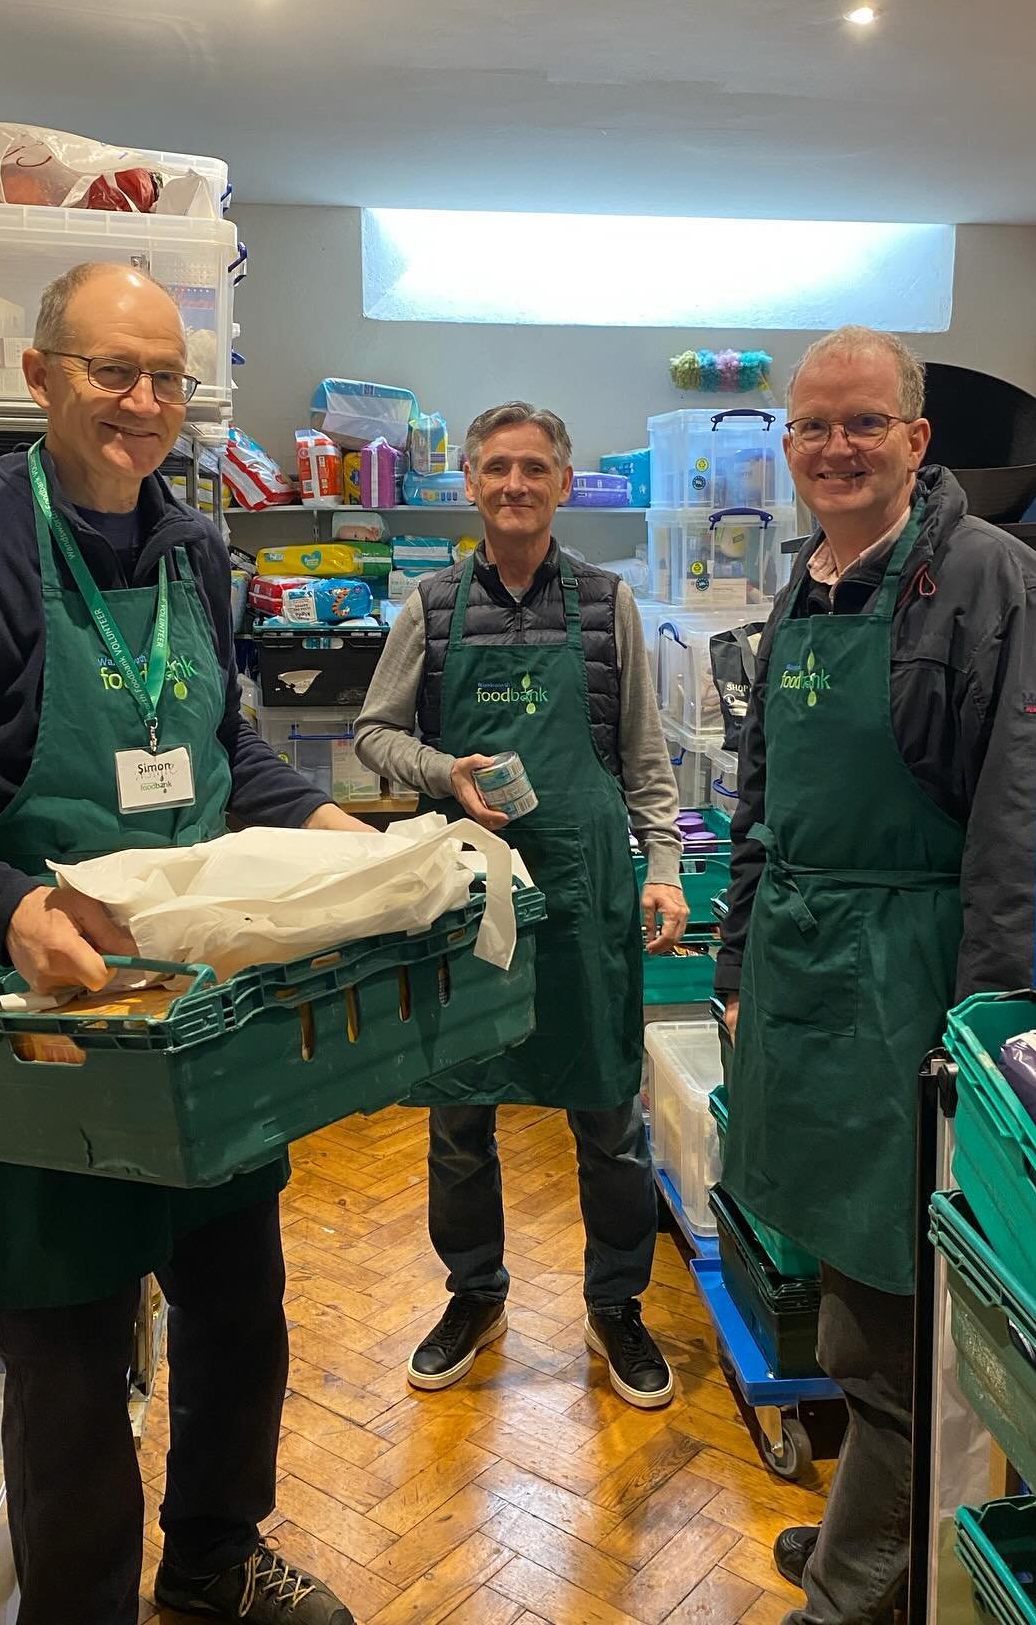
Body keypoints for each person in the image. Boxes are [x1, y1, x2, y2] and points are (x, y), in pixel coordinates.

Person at [0, 263, 371, 1625]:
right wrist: (6, 908)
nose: (142, 402)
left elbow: (222, 746)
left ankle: (214, 1564)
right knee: (66, 1365)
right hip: (38, 1034)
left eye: (167, 377)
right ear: (40, 374)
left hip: (196, 1021)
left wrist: (326, 821)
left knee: (239, 1312)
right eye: (112, 371)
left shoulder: (193, 546)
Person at [714, 326, 1036, 1625]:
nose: (835, 446)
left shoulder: (993, 583)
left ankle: (853, 1593)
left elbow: (1010, 840)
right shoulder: (806, 584)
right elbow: (760, 800)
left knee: (890, 1339)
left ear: (915, 438)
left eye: (863, 423)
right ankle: (858, 1539)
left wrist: (979, 1038)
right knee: (837, 1296)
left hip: (904, 1000)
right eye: (814, 425)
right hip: (800, 989)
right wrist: (733, 966)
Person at [354, 401, 690, 1407]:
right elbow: (373, 732)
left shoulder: (605, 602)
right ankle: (474, 1292)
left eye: (533, 468)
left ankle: (618, 1304)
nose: (513, 484)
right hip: (467, 888)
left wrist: (665, 862)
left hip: (586, 893)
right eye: (496, 468)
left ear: (562, 478)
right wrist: (439, 767)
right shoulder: (428, 605)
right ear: (470, 481)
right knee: (461, 1114)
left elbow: (642, 757)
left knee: (607, 1113)